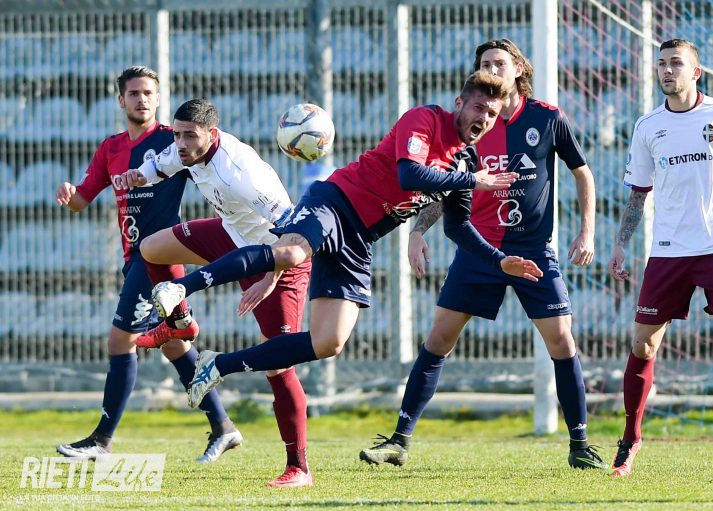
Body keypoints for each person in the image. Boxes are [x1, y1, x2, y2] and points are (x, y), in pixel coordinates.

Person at [148, 71, 544, 411]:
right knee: (290, 252)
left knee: (329, 342)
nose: (484, 118)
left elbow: (457, 227)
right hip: (336, 202)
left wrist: (498, 260)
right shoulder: (425, 119)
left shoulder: (465, 163)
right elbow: (410, 175)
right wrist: (473, 181)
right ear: (460, 104)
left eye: (492, 114)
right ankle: (180, 287)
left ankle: (218, 366)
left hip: (359, 239)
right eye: (479, 108)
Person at [359, 38, 605, 470]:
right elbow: (450, 183)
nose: (492, 68)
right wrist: (419, 230)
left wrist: (587, 232)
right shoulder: (470, 128)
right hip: (479, 248)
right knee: (439, 339)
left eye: (500, 63)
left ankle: (580, 445)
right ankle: (399, 441)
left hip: (532, 249)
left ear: (518, 69)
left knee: (562, 341)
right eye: (485, 63)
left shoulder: (547, 118)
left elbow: (582, 173)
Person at [118, 98, 314, 488]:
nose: (181, 143)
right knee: (152, 248)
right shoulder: (185, 150)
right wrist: (137, 176)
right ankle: (180, 323)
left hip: (277, 259)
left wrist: (269, 278)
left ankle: (298, 468)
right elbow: (160, 165)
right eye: (177, 134)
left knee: (278, 363)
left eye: (189, 136)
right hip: (230, 235)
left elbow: (292, 233)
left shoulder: (242, 174)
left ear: (212, 134)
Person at [54, 66, 241, 463]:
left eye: (148, 93)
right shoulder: (111, 148)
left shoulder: (174, 142)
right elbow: (81, 200)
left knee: (119, 341)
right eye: (134, 93)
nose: (142, 99)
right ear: (121, 100)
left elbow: (212, 168)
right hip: (134, 258)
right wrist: (69, 194)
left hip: (158, 259)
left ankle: (101, 440)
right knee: (175, 346)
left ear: (158, 98)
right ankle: (223, 426)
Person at [608, 39, 713, 478]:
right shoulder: (647, 126)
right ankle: (630, 440)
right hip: (668, 250)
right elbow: (638, 194)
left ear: (696, 72)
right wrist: (621, 243)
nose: (667, 70)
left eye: (676, 63)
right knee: (643, 344)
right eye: (661, 64)